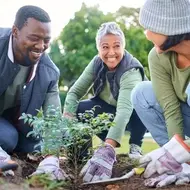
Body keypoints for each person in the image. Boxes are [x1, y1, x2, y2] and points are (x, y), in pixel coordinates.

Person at [63, 21, 147, 182]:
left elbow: (124, 111)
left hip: (134, 114)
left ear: (123, 46)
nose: (111, 52)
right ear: (98, 48)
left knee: (138, 105)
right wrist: (68, 119)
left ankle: (135, 146)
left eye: (116, 46)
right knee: (79, 109)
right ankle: (81, 157)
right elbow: (74, 93)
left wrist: (108, 149)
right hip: (109, 109)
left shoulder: (131, 70)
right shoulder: (96, 63)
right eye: (105, 47)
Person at [0, 5, 66, 180]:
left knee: (25, 143)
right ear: (15, 31)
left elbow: (53, 118)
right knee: (7, 139)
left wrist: (52, 157)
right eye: (34, 38)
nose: (41, 46)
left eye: (46, 40)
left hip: (12, 126)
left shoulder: (49, 73)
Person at [131, 0, 190, 187]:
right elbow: (171, 110)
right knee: (141, 93)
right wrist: (178, 156)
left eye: (149, 27)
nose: (146, 33)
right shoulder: (157, 57)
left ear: (169, 27)